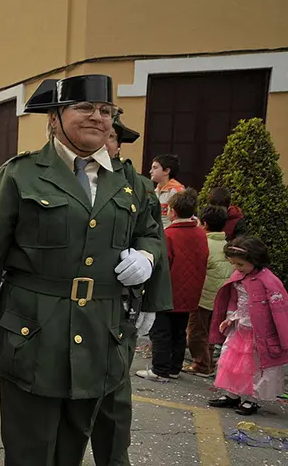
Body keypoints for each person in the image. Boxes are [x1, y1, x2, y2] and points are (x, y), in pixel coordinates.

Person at [0, 74, 164, 466]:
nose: (97, 117)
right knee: (30, 451)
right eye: (84, 108)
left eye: (105, 110)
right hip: (34, 331)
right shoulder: (21, 174)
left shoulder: (129, 181)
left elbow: (151, 234)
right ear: (54, 118)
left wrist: (148, 258)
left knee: (72, 448)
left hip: (101, 333)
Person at [90, 111, 173, 466]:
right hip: (65, 308)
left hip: (117, 311)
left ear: (118, 144)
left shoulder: (137, 187)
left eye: (111, 137)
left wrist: (152, 301)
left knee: (114, 403)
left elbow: (154, 240)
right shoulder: (68, 177)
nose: (104, 142)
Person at [208, 236, 288, 416]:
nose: (236, 268)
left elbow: (280, 311)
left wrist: (283, 338)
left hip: (260, 333)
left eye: (240, 264)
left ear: (255, 260)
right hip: (240, 329)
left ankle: (252, 399)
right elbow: (239, 302)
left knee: (254, 367)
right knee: (231, 362)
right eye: (233, 264)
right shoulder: (240, 276)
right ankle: (232, 394)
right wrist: (231, 318)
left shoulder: (269, 281)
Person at [136, 189, 207, 382]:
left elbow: (162, 264)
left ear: (172, 212)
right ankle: (175, 367)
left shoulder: (168, 235)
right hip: (191, 292)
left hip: (168, 292)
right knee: (179, 331)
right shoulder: (200, 234)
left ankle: (160, 369)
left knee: (161, 331)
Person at [185, 205, 231, 378]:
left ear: (204, 223)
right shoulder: (226, 244)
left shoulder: (204, 244)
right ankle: (208, 362)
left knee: (196, 333)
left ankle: (202, 364)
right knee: (210, 333)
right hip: (220, 297)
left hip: (204, 296)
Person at [149, 154, 184, 228]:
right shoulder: (154, 191)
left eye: (155, 168)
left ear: (166, 171)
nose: (150, 171)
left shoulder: (178, 192)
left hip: (170, 232)